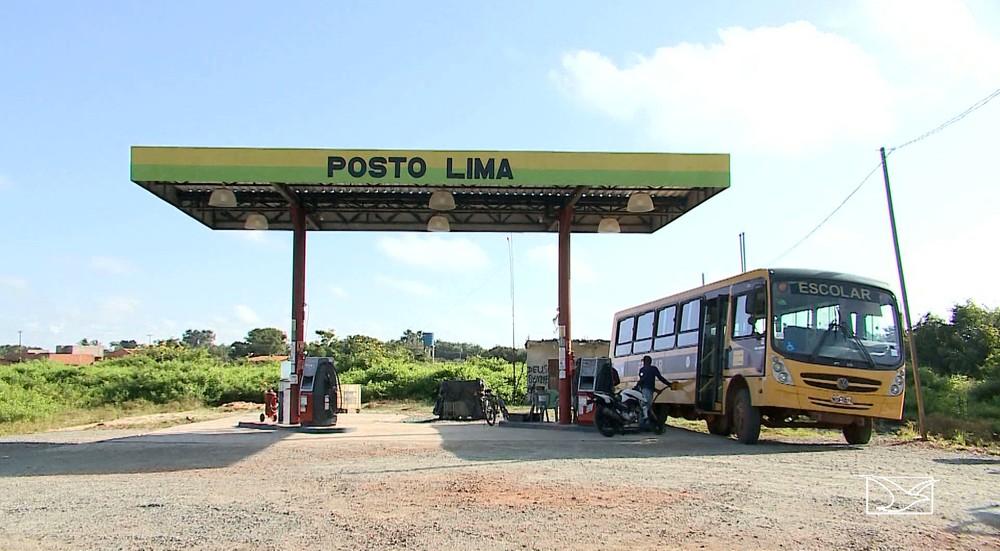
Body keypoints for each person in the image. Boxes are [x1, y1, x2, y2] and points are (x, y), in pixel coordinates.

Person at [638, 355, 670, 424]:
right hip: (649, 391)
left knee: (645, 406)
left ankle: (644, 422)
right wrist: (669, 384)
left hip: (644, 390)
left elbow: (643, 382)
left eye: (644, 361)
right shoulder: (653, 369)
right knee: (647, 406)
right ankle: (646, 422)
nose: (643, 363)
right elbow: (660, 378)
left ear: (645, 362)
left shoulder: (642, 370)